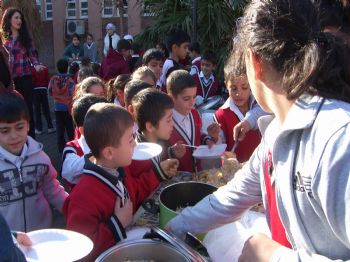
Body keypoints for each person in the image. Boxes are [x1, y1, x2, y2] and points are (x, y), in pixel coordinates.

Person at [166, 0, 350, 261]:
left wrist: (271, 255)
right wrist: (173, 228)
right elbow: (230, 197)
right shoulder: (275, 133)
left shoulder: (337, 139)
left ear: (254, 61)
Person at [63, 103, 152, 261]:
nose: (136, 144)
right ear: (109, 152)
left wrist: (159, 174)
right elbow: (80, 250)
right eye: (131, 140)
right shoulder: (84, 196)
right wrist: (117, 223)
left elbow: (135, 194)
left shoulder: (119, 170)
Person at [0, 93, 68, 232]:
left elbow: (53, 190)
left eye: (19, 127)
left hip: (40, 235)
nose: (13, 136)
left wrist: (74, 209)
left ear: (28, 126)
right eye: (5, 131)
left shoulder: (40, 157)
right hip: (6, 243)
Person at [1, 8, 45, 138]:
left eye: (20, 18)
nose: (19, 20)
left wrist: (36, 65)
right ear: (9, 20)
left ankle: (30, 141)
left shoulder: (26, 39)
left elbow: (33, 56)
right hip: (9, 81)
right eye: (16, 18)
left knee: (26, 111)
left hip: (24, 78)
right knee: (9, 111)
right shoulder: (4, 40)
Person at [166, 70, 220, 172]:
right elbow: (160, 152)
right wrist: (172, 153)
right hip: (178, 178)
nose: (192, 103)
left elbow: (197, 136)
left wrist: (208, 138)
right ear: (171, 98)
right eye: (186, 99)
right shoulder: (165, 121)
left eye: (194, 97)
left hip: (198, 173)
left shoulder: (194, 114)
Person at [130, 88, 179, 200]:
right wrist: (158, 173)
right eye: (168, 120)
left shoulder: (159, 143)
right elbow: (134, 195)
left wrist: (170, 160)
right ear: (150, 126)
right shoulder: (135, 157)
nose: (173, 124)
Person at [214, 62, 261, 163]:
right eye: (233, 88)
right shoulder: (221, 115)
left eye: (244, 87)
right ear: (226, 85)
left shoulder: (262, 105)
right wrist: (214, 139)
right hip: (237, 172)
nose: (239, 93)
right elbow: (220, 149)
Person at [62, 94, 107, 191]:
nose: (109, 127)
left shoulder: (115, 141)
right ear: (83, 130)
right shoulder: (73, 147)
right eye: (102, 124)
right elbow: (68, 172)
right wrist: (97, 152)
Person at [48, 59, 75, 153]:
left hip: (57, 107)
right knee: (70, 128)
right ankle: (73, 146)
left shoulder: (53, 79)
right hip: (67, 107)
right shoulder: (70, 80)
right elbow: (73, 93)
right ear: (67, 68)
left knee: (59, 127)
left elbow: (50, 91)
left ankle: (61, 148)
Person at [31, 63, 55, 135]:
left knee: (37, 110)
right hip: (43, 89)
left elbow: (32, 80)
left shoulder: (32, 68)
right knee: (46, 109)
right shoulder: (45, 67)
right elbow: (47, 79)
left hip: (35, 90)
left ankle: (39, 128)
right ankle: (50, 127)